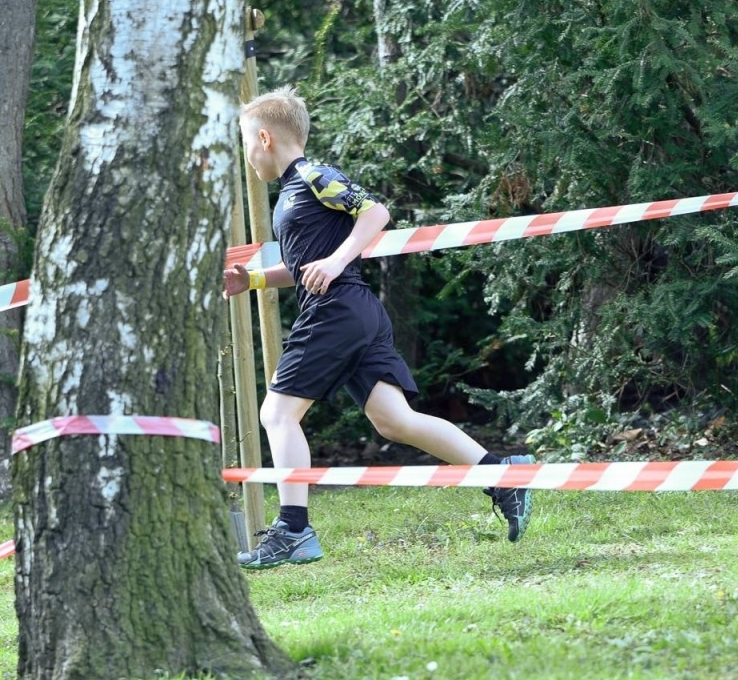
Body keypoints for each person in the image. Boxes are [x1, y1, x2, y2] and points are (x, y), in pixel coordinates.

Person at [223, 86, 535, 569]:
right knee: (395, 421)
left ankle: (293, 529)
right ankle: (502, 476)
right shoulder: (291, 195)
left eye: (245, 143)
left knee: (278, 415)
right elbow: (304, 265)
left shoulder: (311, 176)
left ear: (264, 137)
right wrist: (256, 279)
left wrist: (337, 258)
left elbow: (376, 212)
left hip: (336, 310)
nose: (247, 156)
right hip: (355, 310)